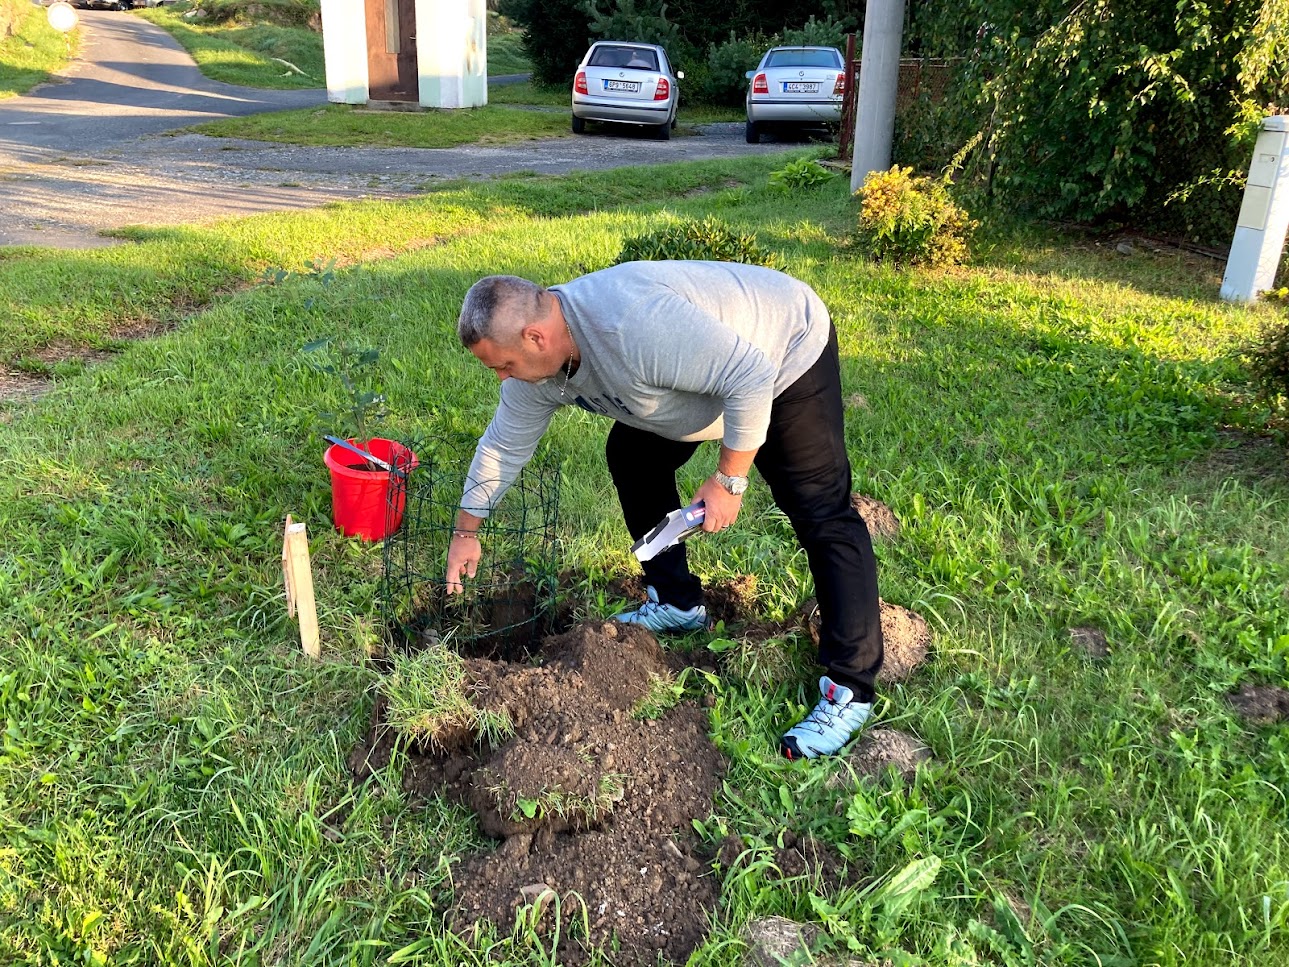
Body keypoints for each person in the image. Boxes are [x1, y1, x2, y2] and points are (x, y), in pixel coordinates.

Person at [445, 261, 884, 759]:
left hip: (780, 352)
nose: (503, 378)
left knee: (819, 509)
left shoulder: (632, 325)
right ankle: (677, 603)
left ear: (535, 338)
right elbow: (503, 445)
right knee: (632, 457)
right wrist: (466, 530)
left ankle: (851, 685)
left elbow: (750, 374)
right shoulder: (538, 370)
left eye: (503, 365)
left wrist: (729, 480)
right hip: (699, 384)